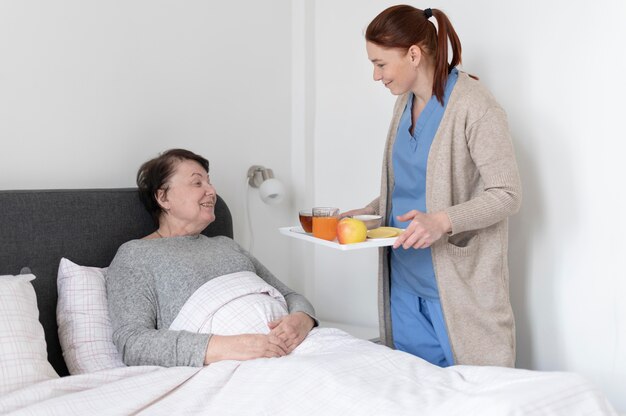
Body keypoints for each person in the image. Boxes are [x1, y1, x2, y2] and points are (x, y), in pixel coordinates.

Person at [343, 5, 521, 367]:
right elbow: (416, 183)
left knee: (480, 397)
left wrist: (441, 221)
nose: (376, 76)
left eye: (380, 64)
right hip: (405, 282)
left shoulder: (475, 107)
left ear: (413, 54)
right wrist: (373, 210)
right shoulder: (404, 104)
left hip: (457, 289)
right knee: (417, 396)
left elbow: (507, 194)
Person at [106, 148, 317, 367]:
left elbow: (291, 296)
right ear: (163, 197)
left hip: (299, 347)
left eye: (209, 182)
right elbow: (133, 343)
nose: (212, 191)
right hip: (235, 363)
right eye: (198, 183)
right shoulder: (136, 254)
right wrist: (235, 346)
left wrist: (302, 320)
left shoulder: (226, 245)